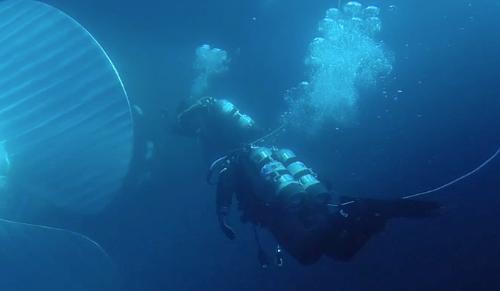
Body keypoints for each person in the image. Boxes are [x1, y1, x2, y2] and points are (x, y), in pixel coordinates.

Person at [177, 97, 441, 266]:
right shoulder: (260, 149)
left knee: (307, 252)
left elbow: (225, 182)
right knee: (340, 252)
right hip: (295, 192)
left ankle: (350, 212)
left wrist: (222, 216)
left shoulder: (231, 158)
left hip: (276, 207)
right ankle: (370, 213)